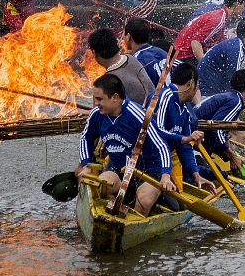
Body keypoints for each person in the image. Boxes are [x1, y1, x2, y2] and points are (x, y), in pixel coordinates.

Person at [76, 74, 174, 218]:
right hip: (118, 168)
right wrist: (85, 165)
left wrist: (165, 175)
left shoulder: (138, 116)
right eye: (94, 99)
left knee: (144, 202)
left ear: (115, 98)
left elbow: (162, 146)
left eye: (99, 99)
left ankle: (133, 223)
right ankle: (113, 217)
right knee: (102, 186)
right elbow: (86, 138)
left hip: (149, 171)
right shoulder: (96, 115)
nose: (95, 104)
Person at [149, 62, 216, 192]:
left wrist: (196, 175)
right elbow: (157, 132)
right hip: (149, 162)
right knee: (174, 207)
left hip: (164, 165)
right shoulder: (164, 97)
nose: (197, 90)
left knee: (178, 205)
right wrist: (186, 138)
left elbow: (185, 147)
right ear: (191, 84)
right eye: (197, 85)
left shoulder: (184, 108)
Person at [197, 17, 245, 111]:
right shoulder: (236, 49)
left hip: (205, 93)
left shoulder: (235, 44)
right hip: (205, 97)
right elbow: (234, 86)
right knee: (236, 101)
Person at [195, 68, 245, 173]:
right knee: (220, 176)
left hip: (199, 143)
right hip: (191, 147)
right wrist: (233, 157)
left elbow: (221, 132)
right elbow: (215, 129)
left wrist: (229, 156)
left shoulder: (231, 97)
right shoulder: (235, 101)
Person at [173, 0, 245, 64]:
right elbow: (195, 42)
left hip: (180, 54)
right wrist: (204, 66)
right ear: (236, 5)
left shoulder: (220, 16)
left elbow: (221, 41)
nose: (244, 8)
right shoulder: (218, 19)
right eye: (244, 5)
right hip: (182, 58)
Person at [87, 28, 155, 105]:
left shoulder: (107, 83)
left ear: (94, 53)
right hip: (156, 111)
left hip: (141, 116)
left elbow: (98, 113)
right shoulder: (131, 58)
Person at [122, 17, 168, 86]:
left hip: (153, 96)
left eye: (123, 34)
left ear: (128, 37)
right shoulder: (161, 52)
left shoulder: (136, 62)